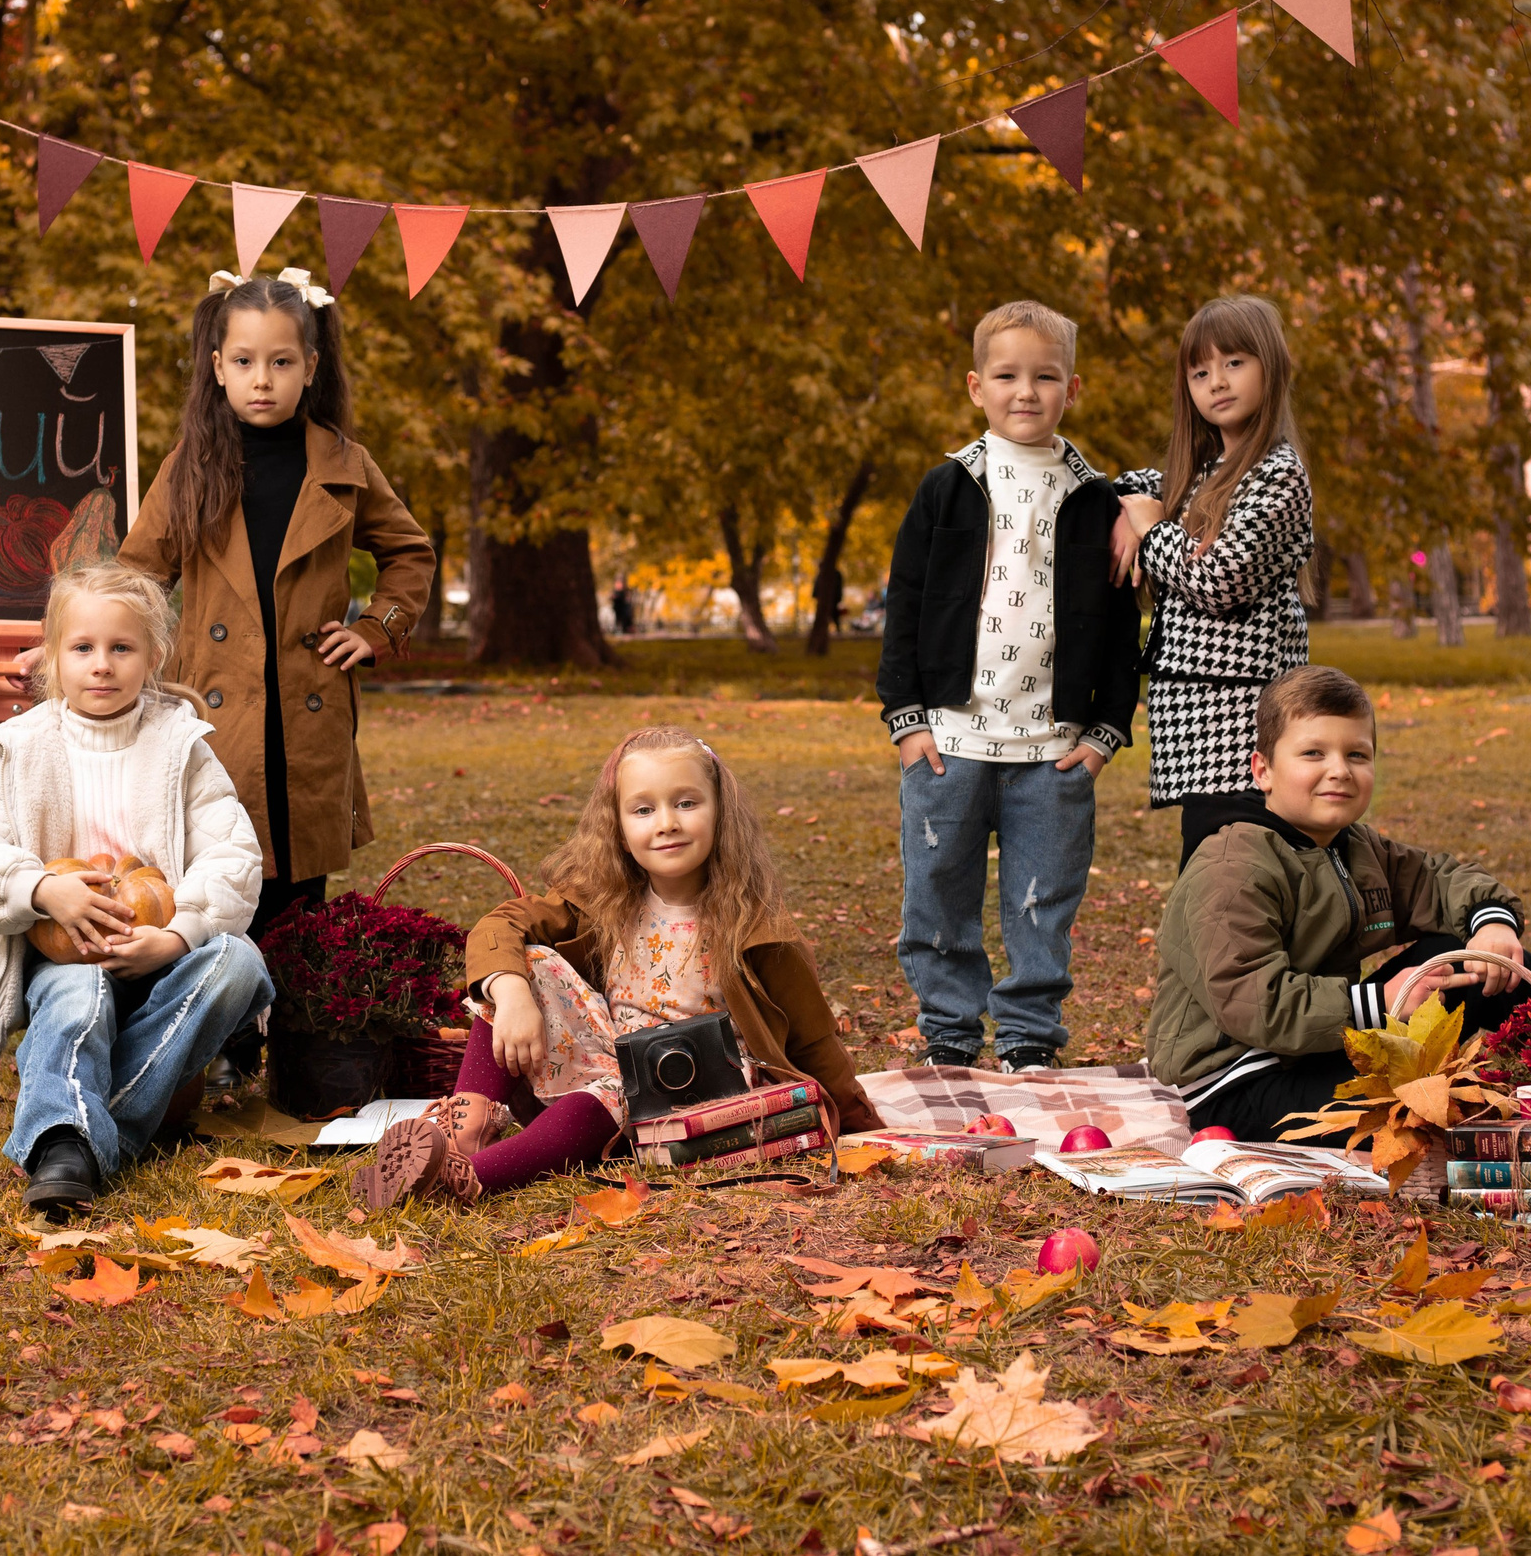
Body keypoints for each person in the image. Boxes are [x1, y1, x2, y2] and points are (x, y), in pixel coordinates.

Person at [350, 725, 880, 1207]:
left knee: (607, 1096)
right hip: (614, 1054)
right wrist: (510, 991)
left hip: (701, 1091)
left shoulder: (758, 926)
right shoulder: (604, 898)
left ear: (720, 810)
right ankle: (458, 1132)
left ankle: (468, 1179)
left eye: (687, 803)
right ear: (619, 826)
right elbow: (503, 925)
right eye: (643, 810)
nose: (667, 824)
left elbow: (814, 1040)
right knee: (525, 963)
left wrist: (860, 1126)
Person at [0, 564, 275, 1218]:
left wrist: (174, 937)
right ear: (54, 657)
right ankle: (75, 1144)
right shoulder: (24, 749)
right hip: (64, 955)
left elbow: (234, 856)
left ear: (153, 656)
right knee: (79, 990)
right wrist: (42, 889)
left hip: (160, 958)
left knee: (240, 962)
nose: (102, 665)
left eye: (121, 648)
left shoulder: (181, 747)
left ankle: (74, 1136)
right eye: (83, 648)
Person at [114, 267, 435, 942]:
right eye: (245, 361)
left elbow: (410, 552)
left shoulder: (344, 465)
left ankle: (295, 1036)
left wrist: (378, 628)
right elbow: (137, 577)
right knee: (217, 878)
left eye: (281, 361)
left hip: (306, 709)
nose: (263, 379)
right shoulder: (190, 465)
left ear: (311, 366)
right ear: (218, 367)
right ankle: (225, 1036)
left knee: (296, 892)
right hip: (215, 707)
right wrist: (91, 650)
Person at [875, 301, 1142, 1073]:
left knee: (1042, 901)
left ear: (1072, 387)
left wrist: (1103, 736)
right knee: (938, 894)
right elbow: (907, 604)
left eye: (1045, 376)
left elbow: (1125, 628)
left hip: (1054, 751)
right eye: (1006, 375)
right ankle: (950, 1034)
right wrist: (906, 719)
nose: (1025, 391)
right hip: (949, 744)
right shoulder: (947, 487)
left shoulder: (1098, 500)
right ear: (975, 385)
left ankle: (1028, 1037)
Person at [1146, 664, 1531, 1143]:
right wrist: (1383, 1002)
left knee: (1461, 951)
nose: (1339, 771)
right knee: (1423, 1111)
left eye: (1357, 754)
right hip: (1240, 1080)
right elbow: (1253, 1002)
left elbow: (1439, 881)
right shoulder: (1232, 863)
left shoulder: (1354, 847)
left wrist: (1492, 923)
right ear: (1263, 770)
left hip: (1326, 1045)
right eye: (1313, 753)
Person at [1110, 295, 1317, 866]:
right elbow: (1131, 483)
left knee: (1242, 875)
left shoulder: (1278, 475)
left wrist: (1150, 530)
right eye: (1200, 372)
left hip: (1246, 726)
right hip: (1198, 730)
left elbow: (1221, 579)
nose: (1216, 383)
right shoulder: (1204, 474)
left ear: (1269, 367)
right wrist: (1127, 509)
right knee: (1207, 869)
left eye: (1234, 363)